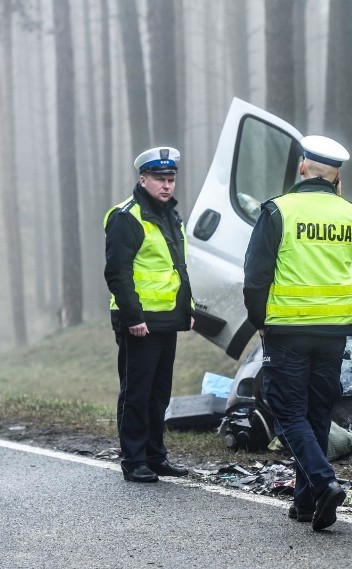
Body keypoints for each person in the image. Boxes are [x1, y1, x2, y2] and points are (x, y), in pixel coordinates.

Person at [243, 135, 352, 531]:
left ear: (302, 167)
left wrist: (258, 318)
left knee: (288, 411)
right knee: (316, 413)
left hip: (289, 329)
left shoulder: (278, 211)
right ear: (337, 177)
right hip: (334, 332)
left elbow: (255, 275)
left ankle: (324, 481)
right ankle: (307, 504)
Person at [104, 146, 194, 483]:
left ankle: (156, 456)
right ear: (143, 179)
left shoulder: (170, 214)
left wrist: (187, 310)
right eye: (159, 179)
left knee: (159, 394)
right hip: (138, 321)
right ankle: (134, 459)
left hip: (166, 318)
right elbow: (118, 273)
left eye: (170, 179)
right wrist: (133, 317)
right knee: (136, 392)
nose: (167, 185)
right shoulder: (126, 216)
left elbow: (176, 268)